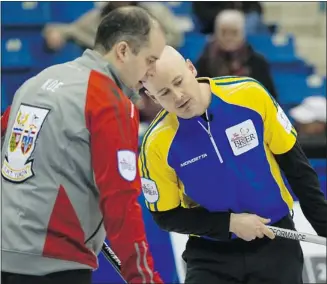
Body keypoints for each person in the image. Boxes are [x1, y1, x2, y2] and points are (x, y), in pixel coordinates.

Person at [1, 7, 166, 284]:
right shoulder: (111, 102)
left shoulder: (37, 81)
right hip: (56, 263)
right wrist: (144, 278)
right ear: (123, 51)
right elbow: (121, 201)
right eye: (150, 59)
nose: (152, 72)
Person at [139, 46, 327, 284]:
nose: (178, 96)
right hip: (210, 252)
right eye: (164, 93)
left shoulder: (249, 95)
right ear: (153, 97)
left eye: (179, 81)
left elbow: (298, 169)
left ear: (190, 68)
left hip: (276, 240)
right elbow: (165, 215)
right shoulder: (155, 144)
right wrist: (229, 224)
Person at [196, 10, 278, 100]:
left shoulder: (257, 62)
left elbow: (270, 99)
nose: (228, 37)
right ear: (216, 33)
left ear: (243, 33)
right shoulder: (205, 61)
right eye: (224, 32)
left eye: (234, 32)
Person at [43, 1, 184, 51]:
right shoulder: (97, 17)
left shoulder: (155, 11)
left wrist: (149, 48)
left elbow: (176, 37)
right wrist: (54, 32)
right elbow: (71, 29)